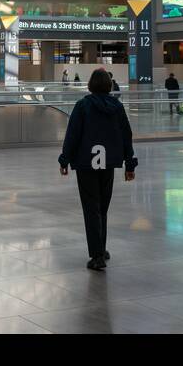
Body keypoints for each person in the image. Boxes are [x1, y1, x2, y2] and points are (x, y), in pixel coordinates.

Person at [58, 68, 137, 271]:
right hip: (108, 163)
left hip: (86, 164)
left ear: (91, 85)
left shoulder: (83, 106)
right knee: (102, 208)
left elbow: (73, 135)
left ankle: (97, 255)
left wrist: (64, 159)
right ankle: (101, 248)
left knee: (91, 208)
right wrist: (130, 164)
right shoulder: (117, 107)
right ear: (109, 85)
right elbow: (126, 135)